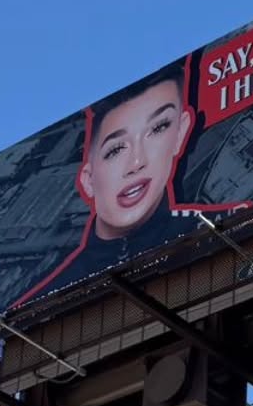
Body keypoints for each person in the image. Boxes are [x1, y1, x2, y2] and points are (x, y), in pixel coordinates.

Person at [12, 63, 194, 306]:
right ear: (88, 179)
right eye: (116, 149)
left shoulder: (223, 236)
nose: (137, 162)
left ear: (181, 132)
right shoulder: (41, 307)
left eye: (159, 127)